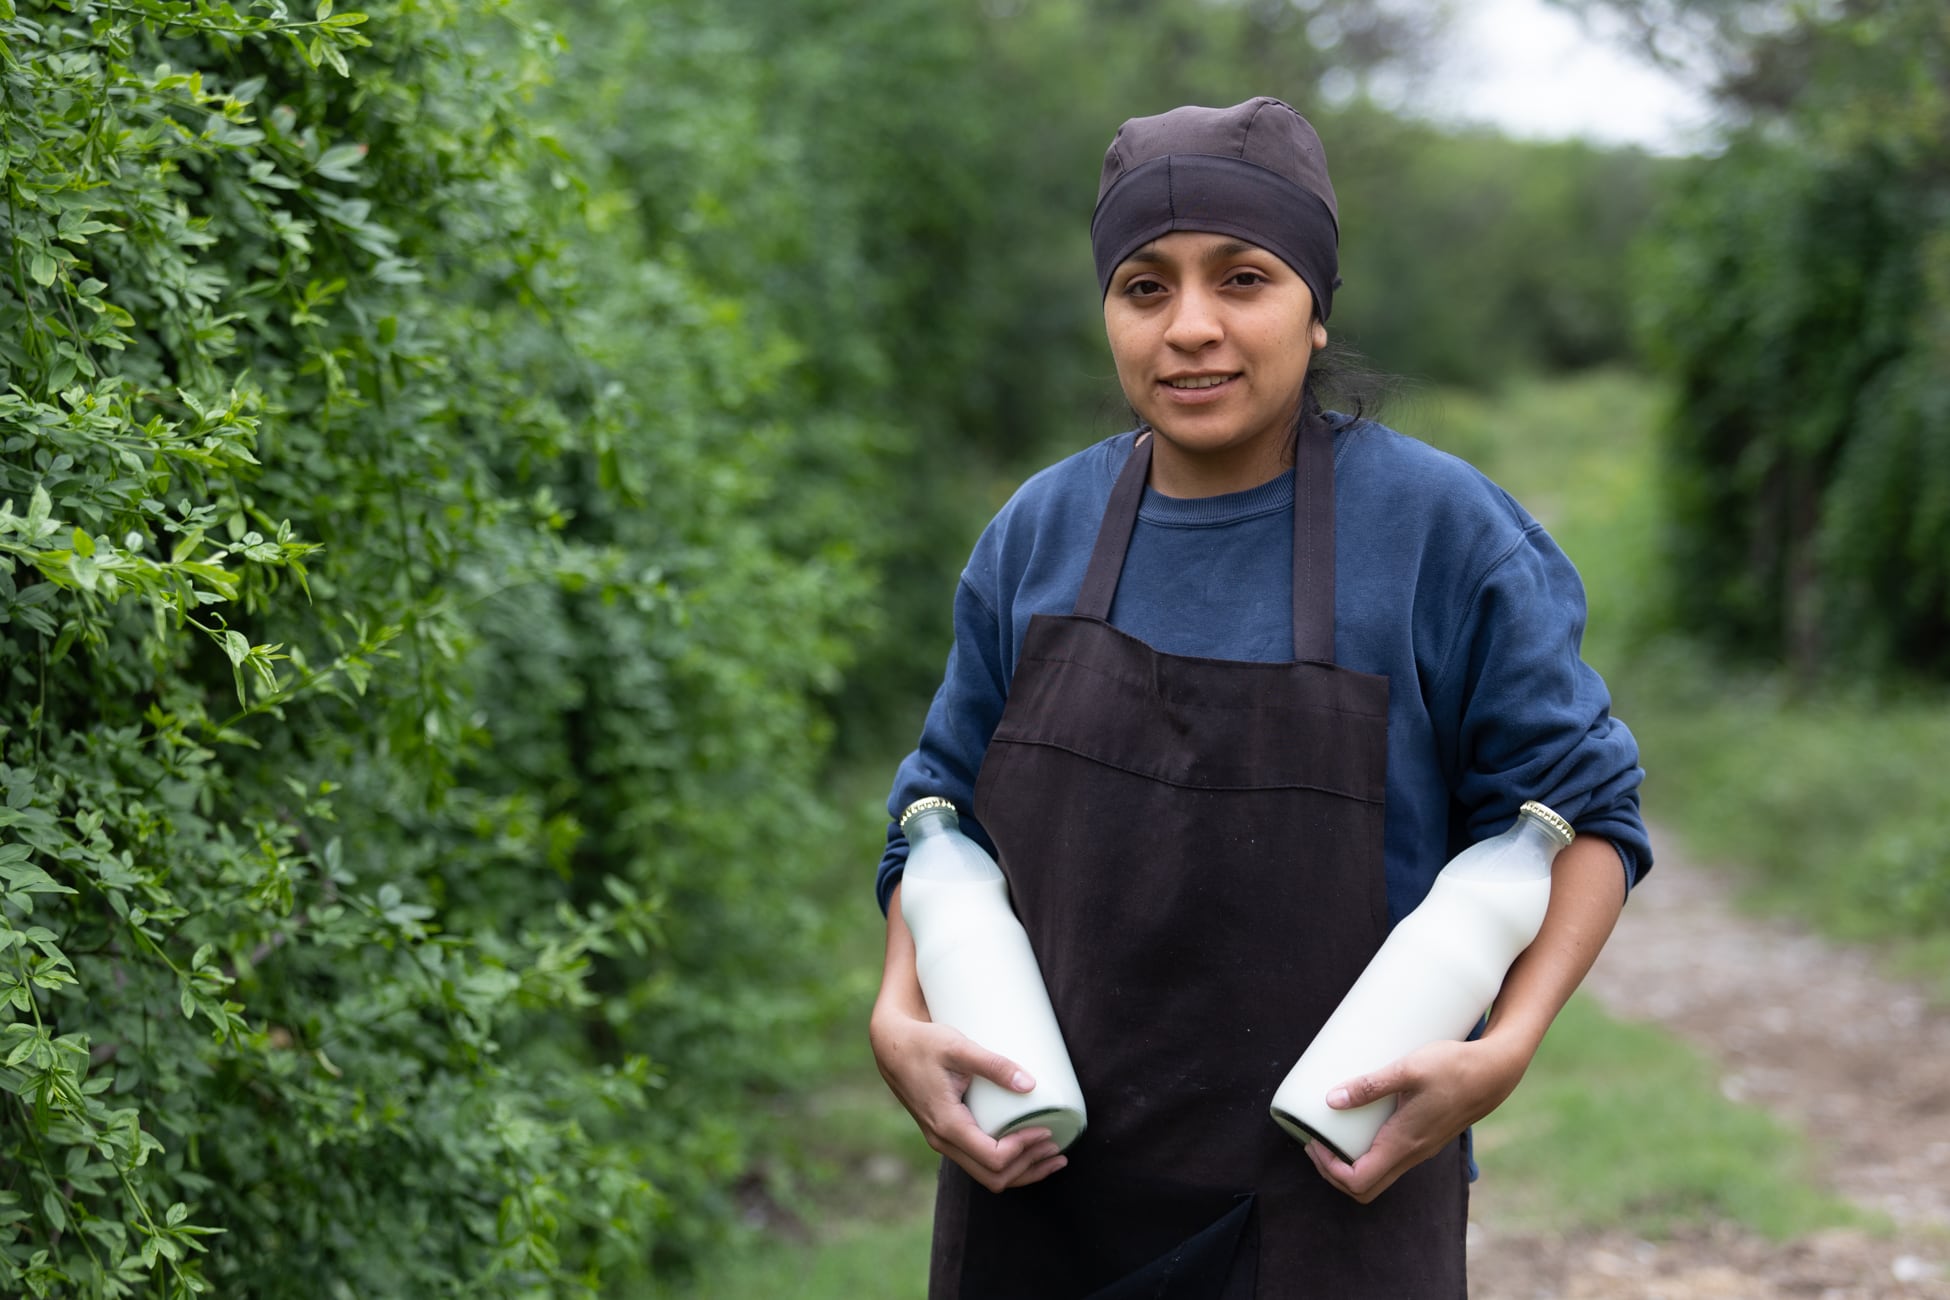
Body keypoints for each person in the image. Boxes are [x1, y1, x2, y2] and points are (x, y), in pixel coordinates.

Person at [868, 96, 1650, 1299]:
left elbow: (1583, 812)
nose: (1191, 328)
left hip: (1334, 1189)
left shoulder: (1441, 534)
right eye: (1145, 287)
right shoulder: (1039, 532)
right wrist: (898, 1013)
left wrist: (1506, 1046)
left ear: (1316, 308)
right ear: (1109, 314)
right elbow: (935, 811)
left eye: (1243, 279)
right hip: (1034, 1179)